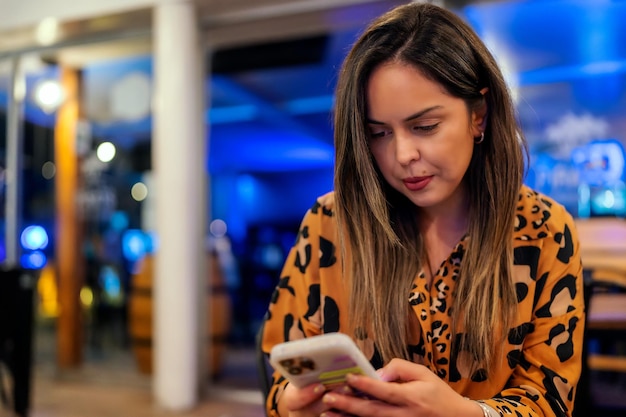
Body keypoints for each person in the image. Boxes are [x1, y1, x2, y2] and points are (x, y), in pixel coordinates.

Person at [260, 3, 585, 417]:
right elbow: (278, 374)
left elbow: (551, 401)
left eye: (425, 127)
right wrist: (293, 405)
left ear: (478, 116)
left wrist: (461, 413)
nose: (402, 154)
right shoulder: (330, 225)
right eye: (378, 133)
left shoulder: (544, 230)